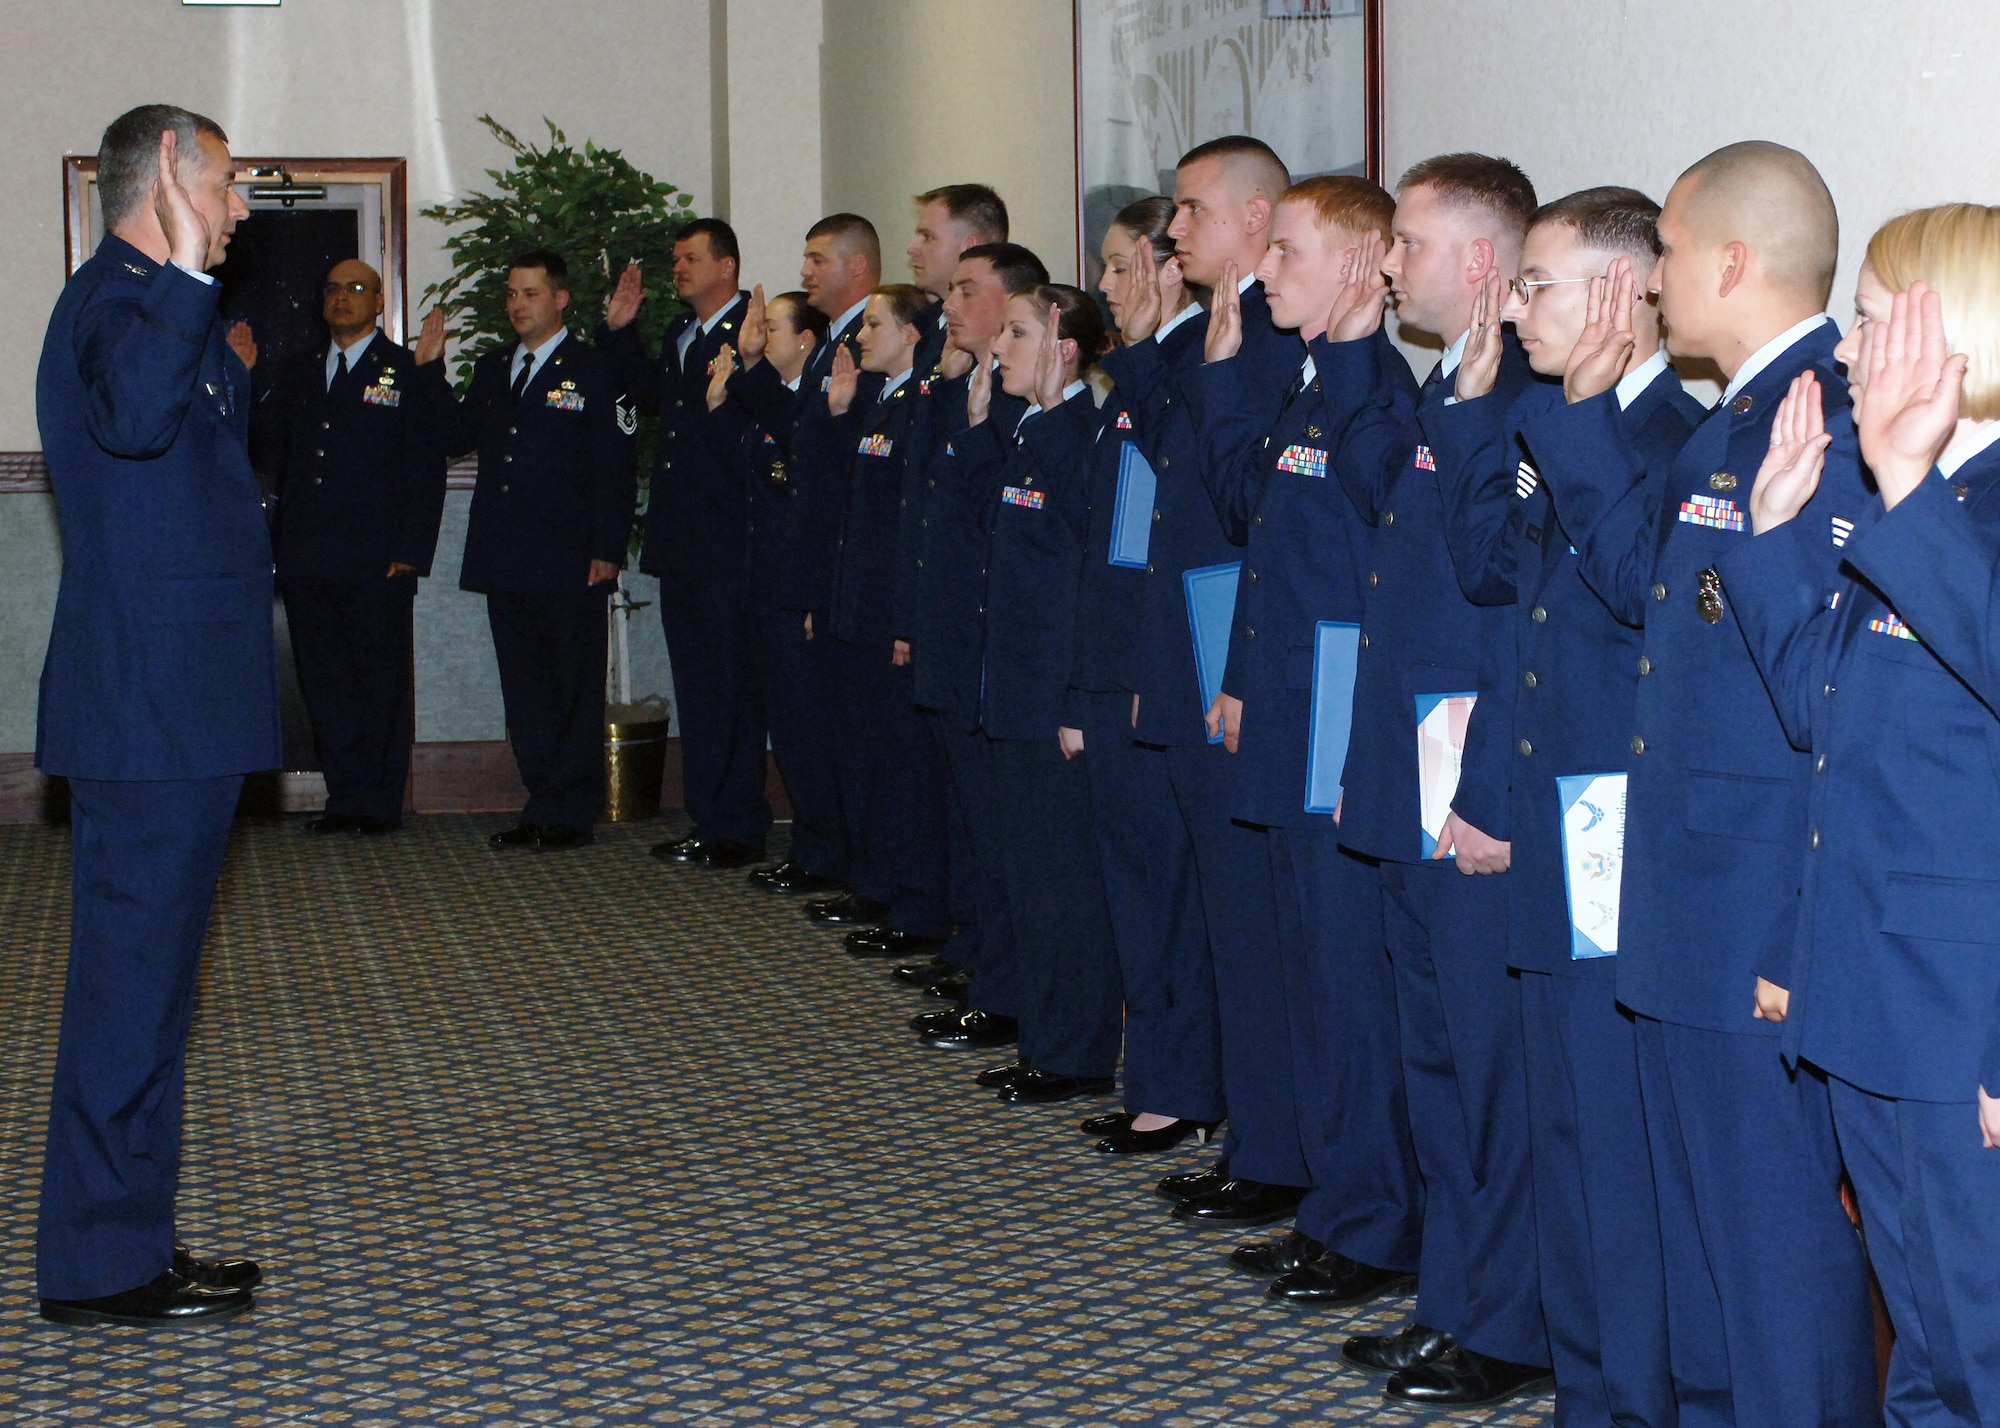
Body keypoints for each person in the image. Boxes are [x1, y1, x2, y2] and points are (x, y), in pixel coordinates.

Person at [1528, 140, 1877, 1427]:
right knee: (1705, 1250)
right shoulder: (1736, 416)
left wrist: (1798, 931)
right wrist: (1576, 407)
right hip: (1684, 898)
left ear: (1731, 260)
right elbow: (1643, 593)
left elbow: (1834, 713)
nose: (1652, 276)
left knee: (1773, 1257)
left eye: (1666, 250)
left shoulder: (1822, 421)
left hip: (1754, 921)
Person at [1725, 206, 2000, 1427]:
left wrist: (1899, 479)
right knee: (1930, 1358)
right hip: (1876, 1008)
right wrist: (1777, 538)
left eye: (1876, 323)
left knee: (1980, 1353)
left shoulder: (1956, 513)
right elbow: (1816, 720)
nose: (1844, 351)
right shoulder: (1920, 507)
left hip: (1963, 1035)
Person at [1432, 189, 1703, 1424]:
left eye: (1538, 284)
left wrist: (1577, 423)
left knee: (1611, 1146)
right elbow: (1494, 577)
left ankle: (1627, 1399)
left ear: (1616, 292)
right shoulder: (1553, 415)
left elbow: (1637, 591)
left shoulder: (1672, 438)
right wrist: (1494, 412)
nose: (1515, 305)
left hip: (1619, 838)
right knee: (1559, 1134)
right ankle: (1587, 1389)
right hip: (1549, 827)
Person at [1313, 152, 1554, 1408]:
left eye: (1405, 242)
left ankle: (1506, 1323)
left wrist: (1481, 798)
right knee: (1438, 1065)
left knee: (1486, 1069)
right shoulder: (1439, 385)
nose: (1389, 261)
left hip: (1473, 784)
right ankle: (1455, 1297)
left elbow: (1491, 596)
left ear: (1478, 262)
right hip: (1407, 777)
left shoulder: (1523, 401)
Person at [36, 104, 269, 1327]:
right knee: (130, 993)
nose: (238, 210)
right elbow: (130, 422)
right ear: (169, 176)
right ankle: (100, 1266)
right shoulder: (122, 300)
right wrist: (184, 263)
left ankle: (126, 1243)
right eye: (224, 184)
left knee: (152, 993)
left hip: (177, 710)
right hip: (149, 713)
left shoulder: (150, 304)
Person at [1191, 176, 1425, 1311]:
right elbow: (1253, 529)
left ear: (1360, 263)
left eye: (1285, 253)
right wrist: (1237, 683)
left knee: (1346, 990)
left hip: (1340, 726)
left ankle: (1374, 1224)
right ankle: (1333, 1206)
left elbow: (1392, 575)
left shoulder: (1378, 397)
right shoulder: (1303, 387)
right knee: (1305, 977)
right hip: (1282, 716)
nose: (1264, 271)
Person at [1101, 135, 1307, 1232]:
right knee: (1220, 919)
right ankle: (1248, 1135)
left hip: (1233, 667)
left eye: (1188, 211)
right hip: (1187, 659)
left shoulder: (1269, 342)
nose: (1171, 232)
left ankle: (1269, 1150)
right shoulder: (1222, 334)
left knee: (1246, 924)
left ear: (1250, 216)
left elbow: (1237, 520)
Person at [1063, 200, 1223, 1147]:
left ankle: (1181, 1090)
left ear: (1168, 271)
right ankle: (1159, 1078)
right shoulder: (1136, 373)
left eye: (1123, 268)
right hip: (1123, 665)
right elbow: (1113, 542)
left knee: (1170, 892)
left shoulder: (1193, 365)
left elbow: (1182, 536)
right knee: (1140, 885)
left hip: (1164, 672)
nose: (1107, 288)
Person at [952, 286, 1123, 1103]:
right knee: (1027, 880)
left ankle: (1076, 1055)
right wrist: (988, 430)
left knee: (1065, 889)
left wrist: (1074, 701)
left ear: (1065, 346)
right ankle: (1044, 1037)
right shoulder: (1025, 434)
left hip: (1055, 700)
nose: (998, 344)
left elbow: (1092, 574)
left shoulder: (1082, 436)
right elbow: (980, 535)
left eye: (1018, 332)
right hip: (1010, 691)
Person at [417, 249, 635, 850]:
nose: (516, 304)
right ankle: (541, 803)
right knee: (526, 689)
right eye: (511, 293)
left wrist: (607, 546)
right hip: (506, 553)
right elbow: (456, 437)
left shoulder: (591, 367)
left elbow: (612, 463)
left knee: (572, 686)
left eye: (529, 293)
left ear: (560, 299)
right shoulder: (493, 367)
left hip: (571, 556)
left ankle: (572, 811)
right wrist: (430, 372)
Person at [898, 241, 1047, 1055]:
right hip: (952, 634)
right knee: (974, 827)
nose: (949, 303)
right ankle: (985, 970)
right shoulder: (962, 383)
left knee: (1000, 836)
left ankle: (1006, 992)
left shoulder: (1029, 403)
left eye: (966, 289)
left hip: (997, 650)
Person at [244, 258, 447, 837]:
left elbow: (425, 468)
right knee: (326, 684)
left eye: (356, 289)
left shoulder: (405, 371)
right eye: (332, 289)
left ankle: (381, 801)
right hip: (310, 558)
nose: (342, 298)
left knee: (378, 683)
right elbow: (266, 449)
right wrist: (248, 378)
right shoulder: (298, 372)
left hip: (379, 558)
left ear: (380, 302)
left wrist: (411, 549)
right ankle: (345, 796)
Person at [603, 219, 767, 869]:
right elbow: (649, 400)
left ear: (727, 267)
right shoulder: (681, 334)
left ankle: (739, 824)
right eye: (676, 259)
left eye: (691, 258)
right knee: (698, 686)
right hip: (684, 538)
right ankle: (709, 816)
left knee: (730, 687)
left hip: (728, 536)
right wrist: (619, 332)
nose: (679, 268)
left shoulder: (746, 334)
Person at [731, 214, 882, 900]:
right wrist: (755, 369)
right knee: (800, 721)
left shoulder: (864, 343)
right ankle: (821, 847)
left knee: (826, 727)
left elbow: (828, 462)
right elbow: (800, 433)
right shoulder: (837, 349)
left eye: (818, 260)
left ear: (856, 265)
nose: (806, 272)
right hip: (800, 571)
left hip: (830, 572)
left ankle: (837, 854)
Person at [816, 285, 952, 959]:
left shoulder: (919, 404)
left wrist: (904, 619)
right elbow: (840, 503)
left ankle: (915, 901)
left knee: (902, 769)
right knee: (865, 757)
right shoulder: (881, 400)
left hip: (891, 613)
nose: (861, 335)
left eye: (874, 324)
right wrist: (839, 413)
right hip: (860, 608)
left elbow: (906, 524)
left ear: (911, 334)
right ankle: (877, 882)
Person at [709, 288, 847, 899]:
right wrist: (719, 405)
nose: (758, 335)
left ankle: (825, 850)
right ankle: (810, 846)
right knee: (787, 728)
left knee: (808, 727)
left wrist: (746, 376)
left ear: (806, 340)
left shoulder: (814, 403)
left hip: (798, 592)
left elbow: (802, 457)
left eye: (770, 327)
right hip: (760, 585)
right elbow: (741, 478)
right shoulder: (775, 404)